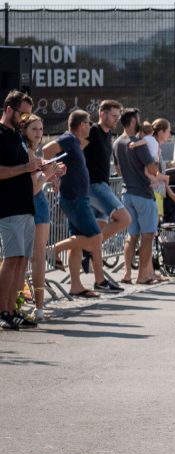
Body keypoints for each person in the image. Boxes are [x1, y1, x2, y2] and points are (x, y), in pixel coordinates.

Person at [44, 109, 122, 297]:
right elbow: (47, 150)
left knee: (78, 242)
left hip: (77, 197)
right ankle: (53, 250)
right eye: (88, 122)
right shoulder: (69, 139)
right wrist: (52, 175)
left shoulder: (75, 143)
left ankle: (76, 286)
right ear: (81, 125)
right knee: (95, 236)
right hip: (75, 198)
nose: (91, 125)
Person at [0, 90, 42, 329]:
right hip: (8, 206)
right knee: (11, 258)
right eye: (22, 114)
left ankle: (13, 308)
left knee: (20, 260)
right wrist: (26, 167)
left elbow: (26, 168)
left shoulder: (16, 135)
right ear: (8, 110)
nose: (25, 119)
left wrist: (45, 170)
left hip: (25, 205)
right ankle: (3, 310)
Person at [21, 113, 64, 321]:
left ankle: (37, 306)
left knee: (35, 258)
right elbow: (34, 188)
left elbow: (37, 181)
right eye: (34, 129)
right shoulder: (27, 152)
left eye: (40, 129)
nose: (38, 133)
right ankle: (24, 304)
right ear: (24, 130)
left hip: (36, 206)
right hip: (31, 206)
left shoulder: (32, 152)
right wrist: (48, 174)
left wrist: (50, 173)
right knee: (24, 258)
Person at [113, 108, 161, 285]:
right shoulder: (138, 143)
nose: (140, 121)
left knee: (131, 235)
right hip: (143, 194)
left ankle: (127, 274)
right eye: (138, 119)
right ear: (133, 121)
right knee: (147, 235)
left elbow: (118, 169)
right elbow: (153, 169)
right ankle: (142, 276)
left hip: (127, 194)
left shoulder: (117, 142)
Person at [83, 99, 131, 273]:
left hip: (103, 184)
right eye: (113, 116)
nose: (116, 120)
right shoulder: (92, 131)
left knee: (99, 231)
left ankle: (99, 277)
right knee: (124, 219)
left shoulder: (108, 134)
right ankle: (86, 247)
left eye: (118, 116)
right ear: (102, 114)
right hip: (93, 186)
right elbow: (75, 149)